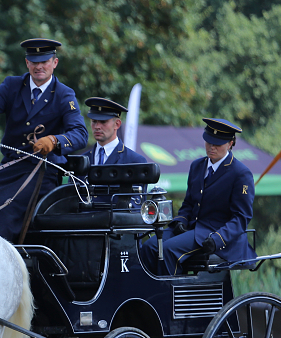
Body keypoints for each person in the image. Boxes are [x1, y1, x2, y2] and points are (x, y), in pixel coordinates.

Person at [0, 38, 88, 242]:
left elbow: (80, 134)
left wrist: (54, 140)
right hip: (11, 166)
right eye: (34, 62)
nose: (39, 66)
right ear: (27, 63)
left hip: (43, 171)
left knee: (5, 211)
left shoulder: (64, 94)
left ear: (54, 63)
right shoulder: (11, 85)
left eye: (44, 61)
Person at [140, 118, 256, 275]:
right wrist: (181, 220)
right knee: (149, 247)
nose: (211, 147)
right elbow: (188, 203)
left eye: (217, 144)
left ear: (230, 143)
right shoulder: (197, 166)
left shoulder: (240, 173)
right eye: (208, 142)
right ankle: (151, 296)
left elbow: (241, 218)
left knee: (167, 250)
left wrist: (218, 239)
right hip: (193, 229)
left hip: (215, 233)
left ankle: (170, 298)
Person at [84, 97, 147, 205]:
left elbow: (136, 206)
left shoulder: (135, 161)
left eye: (103, 122)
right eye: (94, 121)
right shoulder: (82, 160)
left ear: (117, 124)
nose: (97, 127)